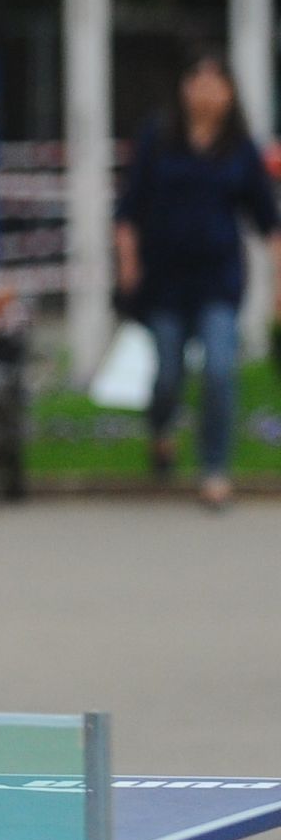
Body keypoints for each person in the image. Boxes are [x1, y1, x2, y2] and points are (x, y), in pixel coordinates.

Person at [114, 46, 281, 508]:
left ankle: (214, 469)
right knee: (167, 373)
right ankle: (162, 430)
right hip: (164, 283)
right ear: (184, 88)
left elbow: (270, 225)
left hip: (218, 282)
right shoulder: (158, 138)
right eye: (199, 81)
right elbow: (128, 210)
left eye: (216, 83)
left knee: (220, 370)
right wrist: (128, 262)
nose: (207, 92)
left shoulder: (240, 150)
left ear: (230, 93)